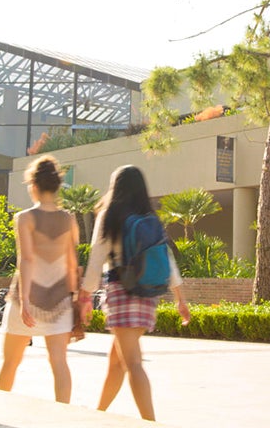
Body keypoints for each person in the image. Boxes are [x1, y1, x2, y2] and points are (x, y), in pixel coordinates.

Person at [78, 165, 190, 421]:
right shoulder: (149, 216)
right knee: (116, 361)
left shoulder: (110, 214)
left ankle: (150, 422)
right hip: (148, 294)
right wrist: (180, 298)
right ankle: (98, 414)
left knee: (133, 363)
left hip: (122, 293)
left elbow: (97, 258)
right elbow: (168, 260)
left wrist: (84, 295)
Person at [0, 155, 81, 404]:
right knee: (59, 363)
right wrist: (74, 299)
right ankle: (63, 418)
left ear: (33, 186)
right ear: (56, 186)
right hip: (59, 302)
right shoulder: (68, 219)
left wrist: (24, 300)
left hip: (27, 300)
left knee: (10, 362)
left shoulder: (24, 218)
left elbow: (26, 259)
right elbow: (72, 263)